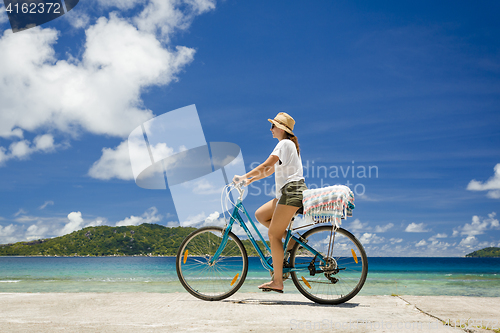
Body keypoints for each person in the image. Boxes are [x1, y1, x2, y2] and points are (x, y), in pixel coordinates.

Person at [233, 112, 307, 293]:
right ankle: (291, 245)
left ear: (281, 128)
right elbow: (269, 171)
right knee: (260, 215)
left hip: (291, 193)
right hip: (287, 194)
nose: (270, 129)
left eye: (273, 126)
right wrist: (249, 181)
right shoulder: (288, 145)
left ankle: (278, 281)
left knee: (273, 235)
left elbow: (266, 164)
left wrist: (244, 175)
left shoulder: (284, 144)